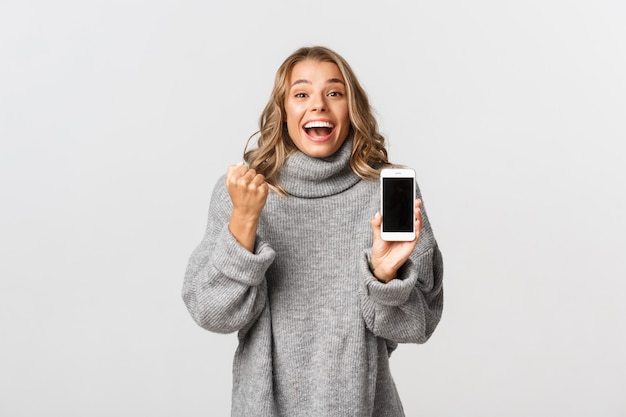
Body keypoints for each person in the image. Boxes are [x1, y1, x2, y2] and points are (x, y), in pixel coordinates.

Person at [182, 45, 444, 417]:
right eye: (301, 94)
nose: (318, 105)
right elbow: (214, 314)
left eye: (334, 93)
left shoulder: (388, 193)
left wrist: (385, 277)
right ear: (283, 110)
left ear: (352, 109)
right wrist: (244, 222)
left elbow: (418, 325)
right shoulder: (245, 193)